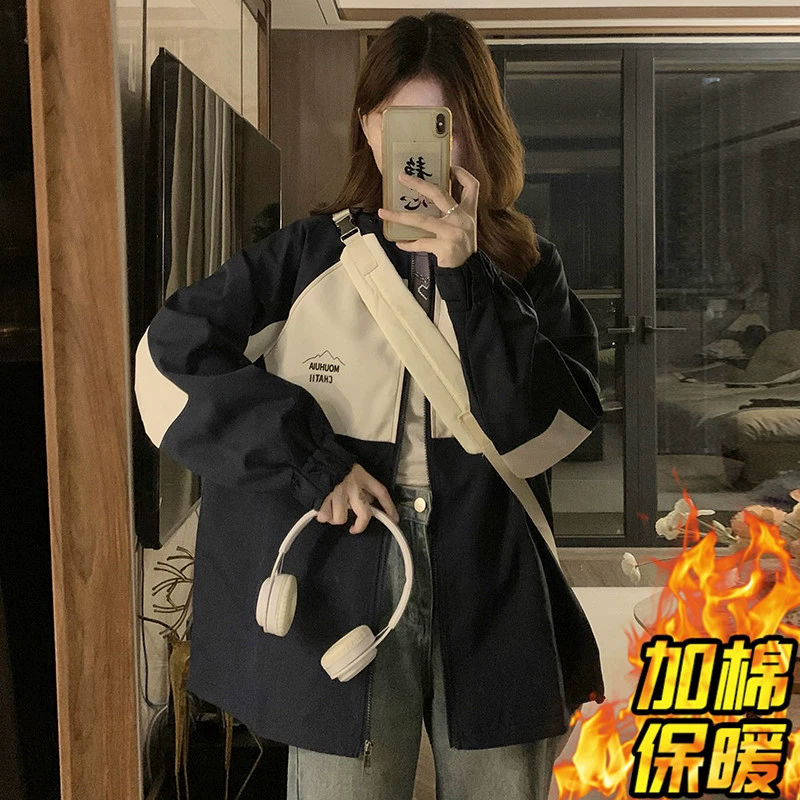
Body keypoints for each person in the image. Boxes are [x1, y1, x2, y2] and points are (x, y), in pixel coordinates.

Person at [134, 11, 606, 799]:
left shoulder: (526, 267)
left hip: (491, 569)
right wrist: (313, 463)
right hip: (344, 569)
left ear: (478, 131)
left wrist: (468, 277)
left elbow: (548, 435)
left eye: (444, 123)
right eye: (398, 121)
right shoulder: (308, 255)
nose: (421, 148)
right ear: (368, 127)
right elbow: (168, 356)